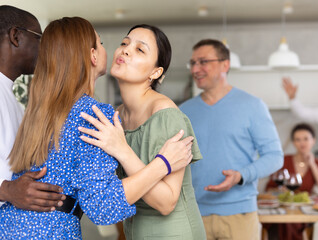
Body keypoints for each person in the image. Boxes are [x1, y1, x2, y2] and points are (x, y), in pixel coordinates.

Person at [0, 17, 193, 239]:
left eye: (139, 49)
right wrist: (163, 163)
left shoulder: (38, 111)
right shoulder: (93, 114)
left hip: (9, 227)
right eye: (101, 43)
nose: (123, 50)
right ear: (92, 55)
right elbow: (103, 208)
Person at [78, 24, 206, 240]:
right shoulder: (114, 116)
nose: (125, 50)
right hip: (134, 230)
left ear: (156, 72)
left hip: (175, 232)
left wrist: (122, 150)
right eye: (124, 43)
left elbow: (167, 202)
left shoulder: (167, 116)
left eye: (140, 49)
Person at [179, 39, 284, 240]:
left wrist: (240, 176)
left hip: (240, 216)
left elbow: (275, 156)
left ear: (225, 64)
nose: (196, 69)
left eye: (203, 62)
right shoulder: (183, 111)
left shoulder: (252, 106)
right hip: (194, 214)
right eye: (193, 63)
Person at [0, 5, 65, 212]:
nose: (44, 49)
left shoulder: (13, 99)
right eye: (40, 38)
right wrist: (6, 190)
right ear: (16, 36)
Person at [264, 123, 318, 240]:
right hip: (286, 209)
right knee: (288, 221)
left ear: (313, 141)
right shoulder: (283, 161)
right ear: (293, 142)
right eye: (297, 139)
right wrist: (280, 190)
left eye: (306, 139)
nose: (302, 143)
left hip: (307, 212)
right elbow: (268, 189)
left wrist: (312, 164)